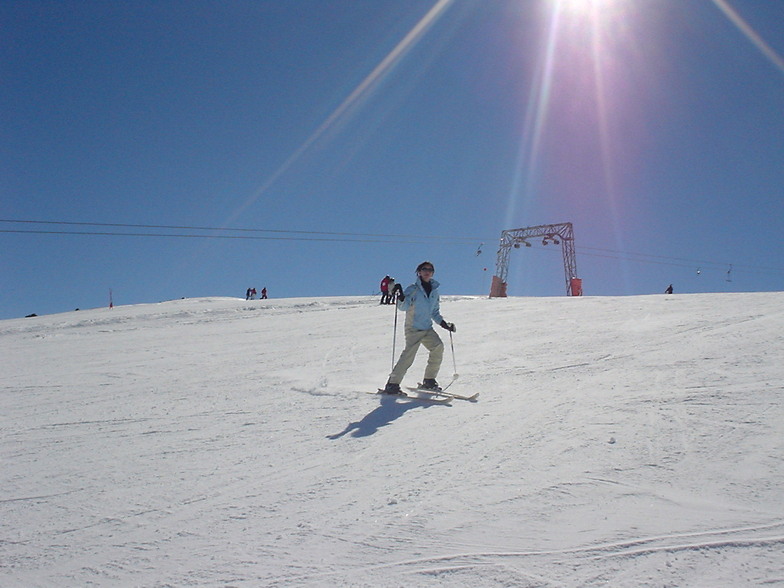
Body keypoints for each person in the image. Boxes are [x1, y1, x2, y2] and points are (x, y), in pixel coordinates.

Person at [382, 261, 456, 394]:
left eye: (430, 270)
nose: (427, 271)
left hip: (427, 329)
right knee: (409, 356)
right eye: (424, 269)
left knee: (438, 347)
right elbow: (403, 307)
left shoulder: (434, 291)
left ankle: (429, 380)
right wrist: (401, 296)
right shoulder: (413, 289)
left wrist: (444, 324)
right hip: (414, 328)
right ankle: (392, 384)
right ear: (419, 272)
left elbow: (434, 312)